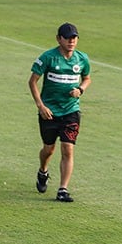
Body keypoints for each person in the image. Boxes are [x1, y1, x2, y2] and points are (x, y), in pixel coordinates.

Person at [28, 23, 91, 203]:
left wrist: (80, 89)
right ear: (59, 39)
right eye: (67, 38)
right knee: (48, 149)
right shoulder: (48, 57)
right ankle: (43, 171)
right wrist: (41, 106)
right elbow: (32, 82)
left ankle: (63, 189)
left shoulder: (82, 59)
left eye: (74, 38)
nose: (71, 41)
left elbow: (87, 78)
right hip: (49, 112)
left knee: (68, 149)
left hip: (71, 111)